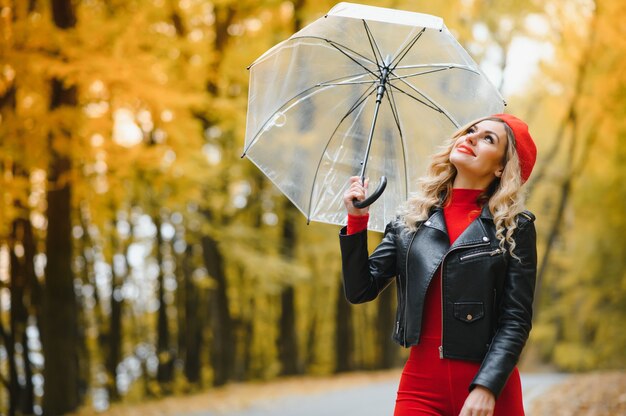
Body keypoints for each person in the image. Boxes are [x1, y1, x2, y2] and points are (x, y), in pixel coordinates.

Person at [340, 114, 538, 416]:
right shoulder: (411, 220)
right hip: (420, 389)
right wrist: (356, 220)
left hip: (489, 390)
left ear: (501, 167)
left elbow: (516, 320)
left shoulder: (514, 228)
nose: (471, 137)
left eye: (488, 139)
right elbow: (360, 289)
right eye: (471, 131)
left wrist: (487, 386)